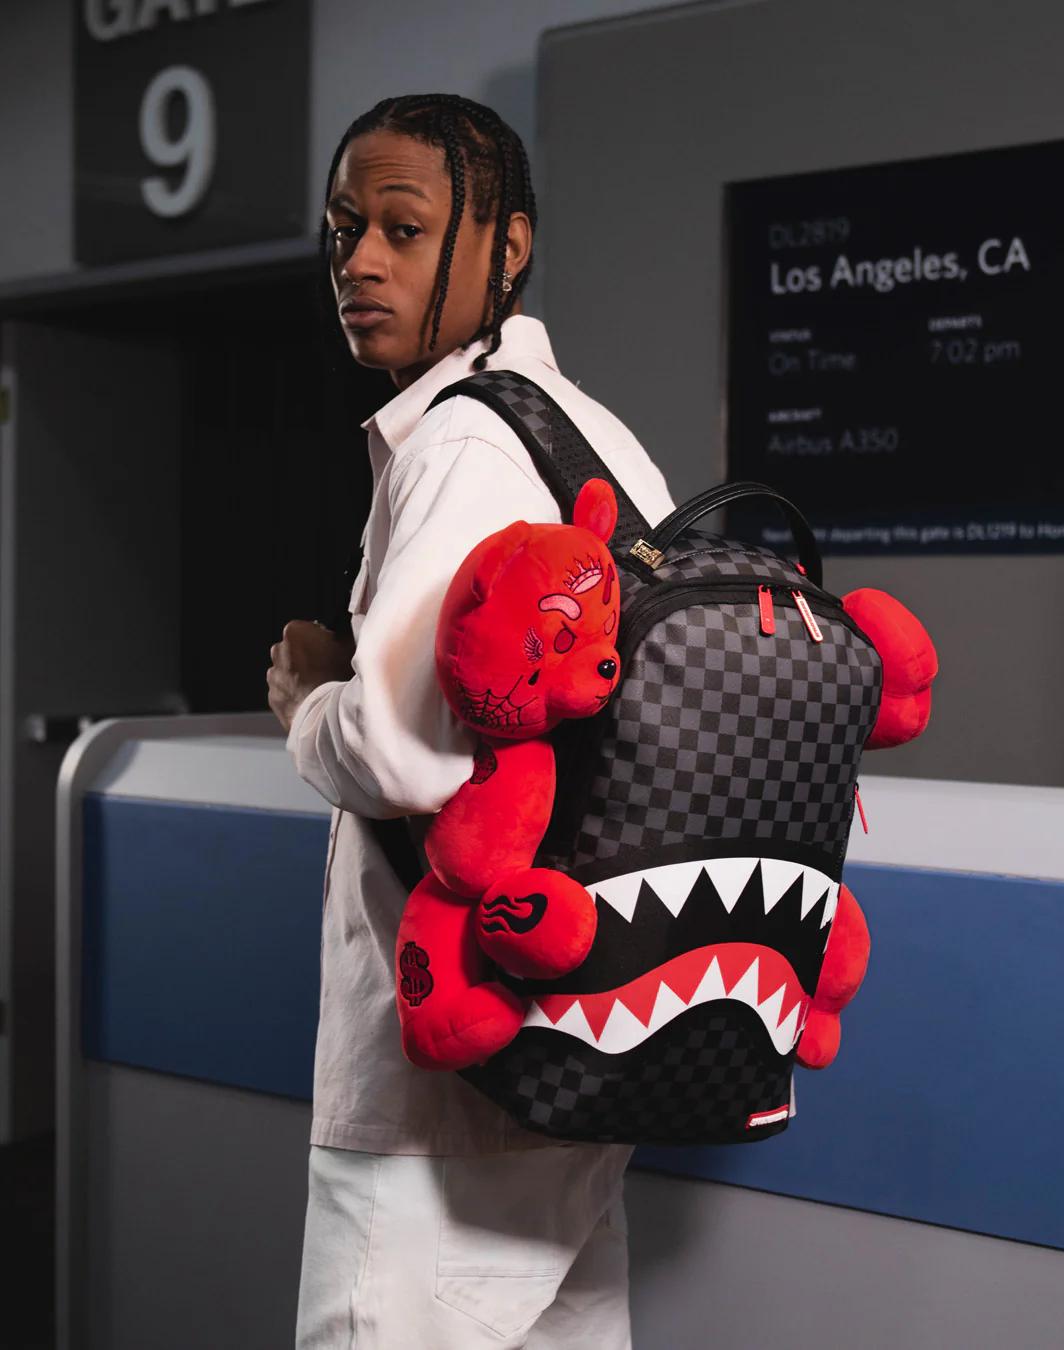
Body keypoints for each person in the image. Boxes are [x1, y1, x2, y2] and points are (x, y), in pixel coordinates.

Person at [267, 93, 676, 1349]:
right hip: (576, 1046)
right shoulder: (595, 435)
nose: (360, 262)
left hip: (446, 1088)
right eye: (344, 228)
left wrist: (308, 698)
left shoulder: (463, 444)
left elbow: (400, 749)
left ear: (509, 246)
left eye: (403, 228)